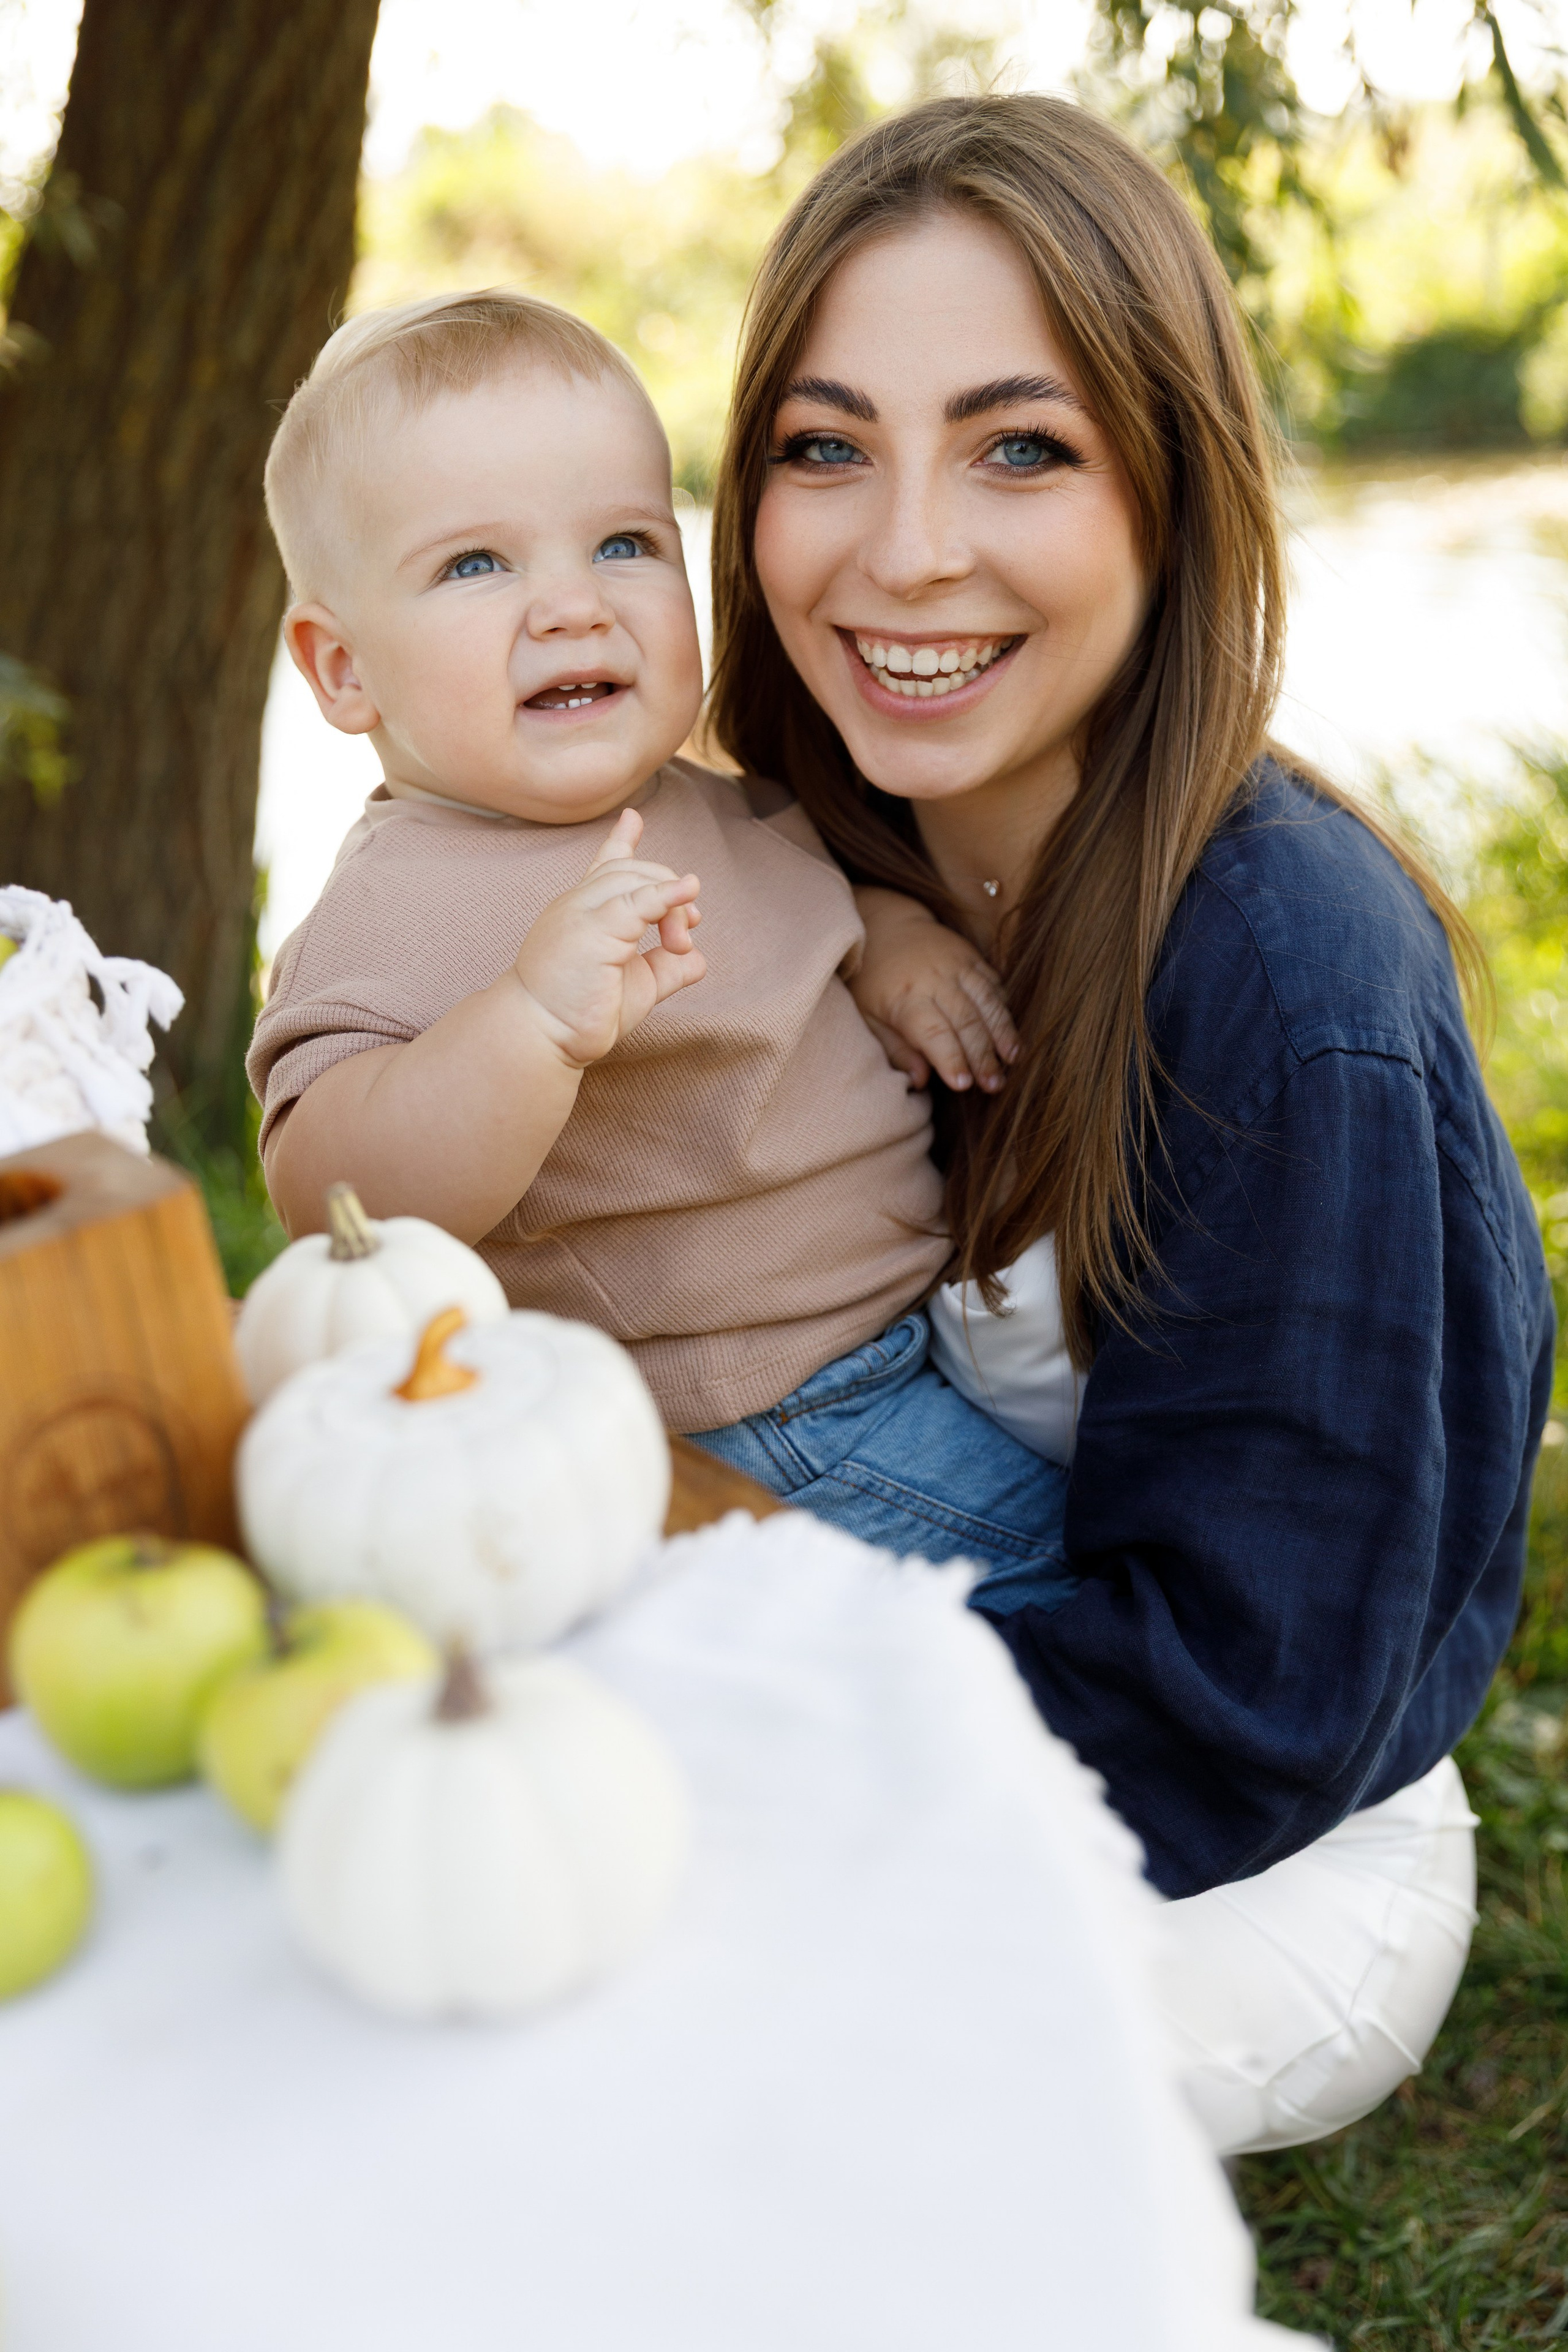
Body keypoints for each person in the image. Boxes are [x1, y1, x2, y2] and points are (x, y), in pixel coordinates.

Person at [699, 92, 1555, 2155]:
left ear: (1170, 495)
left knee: (613, 2018)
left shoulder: (1289, 985)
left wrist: (707, 1681)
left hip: (1241, 1856)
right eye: (827, 447)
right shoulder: (798, 875)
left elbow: (1241, 1709)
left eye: (1021, 448)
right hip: (917, 1683)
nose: (904, 547)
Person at [246, 289, 1074, 1598]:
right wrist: (527, 1026)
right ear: (342, 669)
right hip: (744, 1424)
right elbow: (332, 1193)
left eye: (624, 544)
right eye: (477, 565)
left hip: (892, 1344)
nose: (572, 607)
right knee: (1075, 1605)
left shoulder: (711, 802)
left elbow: (807, 906)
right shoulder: (396, 906)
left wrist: (891, 939)